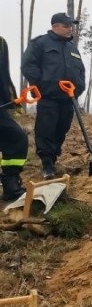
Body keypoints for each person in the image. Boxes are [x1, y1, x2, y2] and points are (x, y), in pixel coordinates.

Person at [21, 12, 86, 179]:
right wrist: (45, 86)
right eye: (66, 26)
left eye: (71, 26)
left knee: (61, 130)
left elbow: (80, 71)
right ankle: (47, 164)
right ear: (55, 26)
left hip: (68, 99)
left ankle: (53, 157)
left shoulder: (72, 48)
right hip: (49, 98)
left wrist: (78, 89)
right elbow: (28, 66)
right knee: (46, 130)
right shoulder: (40, 43)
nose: (69, 29)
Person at [0, 37, 28, 200]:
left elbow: (4, 73)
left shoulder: (1, 42)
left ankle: (10, 183)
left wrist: (10, 97)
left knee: (17, 137)